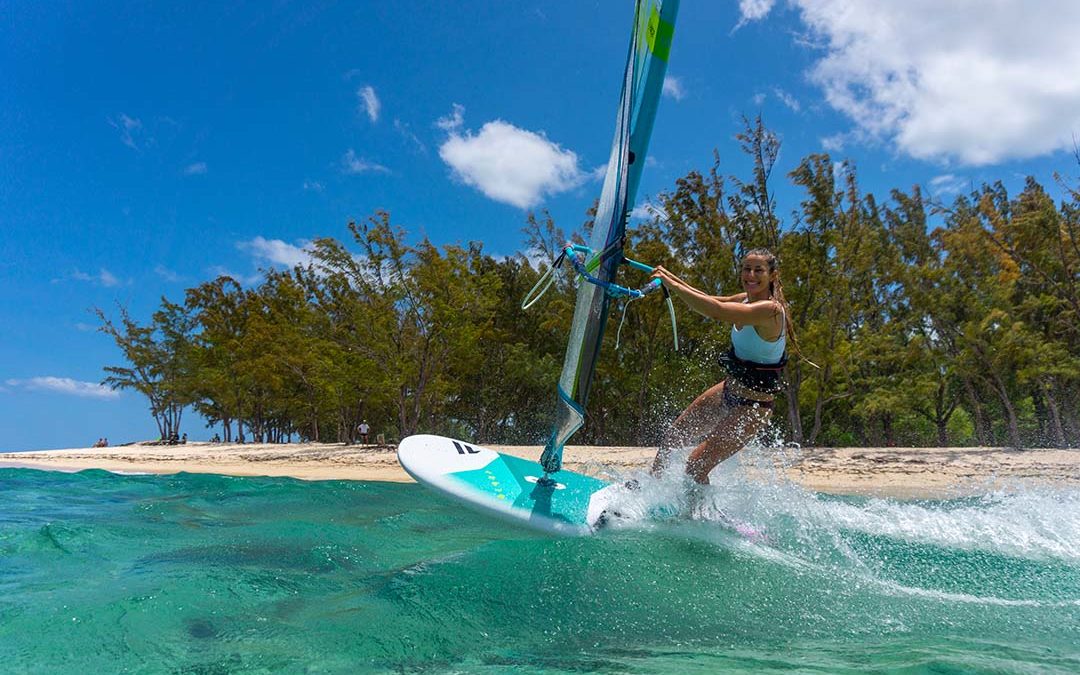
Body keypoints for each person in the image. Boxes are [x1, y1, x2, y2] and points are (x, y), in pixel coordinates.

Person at [649, 248, 799, 484]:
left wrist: (673, 285)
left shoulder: (770, 311)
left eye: (758, 270)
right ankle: (649, 489)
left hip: (753, 407)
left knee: (695, 467)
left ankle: (694, 518)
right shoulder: (745, 299)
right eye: (746, 268)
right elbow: (710, 299)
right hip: (729, 390)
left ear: (773, 275)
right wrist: (668, 277)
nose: (750, 274)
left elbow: (716, 311)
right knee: (673, 436)